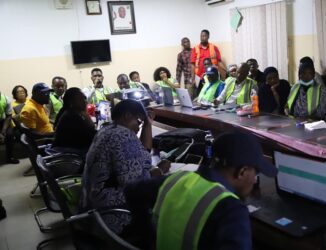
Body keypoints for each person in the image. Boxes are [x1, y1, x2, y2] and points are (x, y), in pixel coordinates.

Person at [124, 131, 277, 250]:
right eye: (255, 173)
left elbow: (131, 190)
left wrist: (147, 235)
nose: (255, 180)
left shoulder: (177, 179)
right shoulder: (231, 210)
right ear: (242, 172)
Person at [80, 99, 170, 235]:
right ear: (127, 116)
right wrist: (160, 170)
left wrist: (147, 124)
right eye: (139, 121)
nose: (139, 127)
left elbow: (143, 155)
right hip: (113, 215)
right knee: (168, 193)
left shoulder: (107, 129)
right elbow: (138, 185)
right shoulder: (123, 136)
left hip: (93, 207)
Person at [52, 88, 96, 156]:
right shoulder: (71, 116)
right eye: (82, 99)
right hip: (69, 155)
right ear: (71, 102)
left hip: (71, 149)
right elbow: (91, 137)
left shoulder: (70, 111)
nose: (86, 102)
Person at [0, 90, 19, 164]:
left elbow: (8, 116)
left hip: (3, 121)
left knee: (10, 134)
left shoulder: (6, 99)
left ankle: (10, 157)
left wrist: (3, 131)